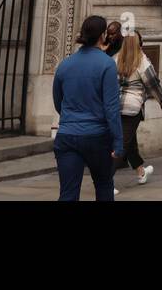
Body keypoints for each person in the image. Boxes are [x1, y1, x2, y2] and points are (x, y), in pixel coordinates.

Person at [51, 14, 123, 201]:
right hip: (96, 136)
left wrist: (70, 118)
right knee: (104, 185)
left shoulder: (65, 65)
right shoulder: (107, 64)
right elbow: (111, 108)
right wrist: (118, 141)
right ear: (102, 35)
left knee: (68, 192)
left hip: (67, 135)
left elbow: (58, 101)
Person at [114, 32, 162, 185]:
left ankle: (141, 172)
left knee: (129, 142)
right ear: (138, 43)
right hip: (132, 107)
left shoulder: (116, 59)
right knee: (123, 144)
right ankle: (106, 182)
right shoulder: (142, 61)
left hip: (116, 105)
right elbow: (153, 83)